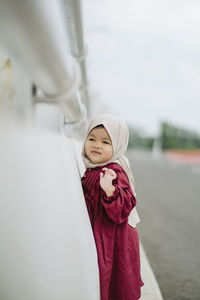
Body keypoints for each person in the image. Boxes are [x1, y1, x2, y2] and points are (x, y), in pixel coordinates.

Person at [81, 113, 144, 300]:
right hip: (103, 233)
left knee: (113, 279)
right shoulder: (93, 168)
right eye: (91, 139)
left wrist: (109, 190)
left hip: (114, 238)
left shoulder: (113, 171)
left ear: (117, 145)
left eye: (106, 142)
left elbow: (124, 207)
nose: (96, 145)